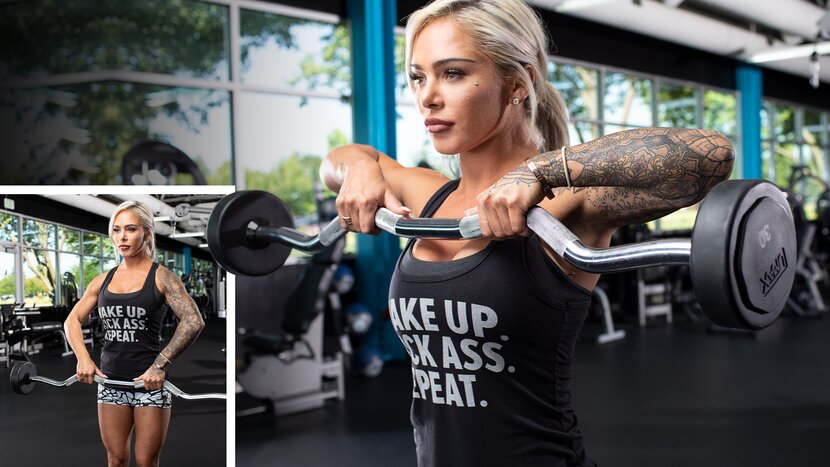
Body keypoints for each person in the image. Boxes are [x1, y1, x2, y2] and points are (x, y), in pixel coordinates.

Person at [321, 0, 735, 465]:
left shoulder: (566, 205)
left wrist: (540, 171)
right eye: (419, 77)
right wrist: (358, 168)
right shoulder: (429, 197)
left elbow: (708, 155)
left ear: (517, 84)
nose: (427, 97)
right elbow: (341, 160)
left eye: (452, 73)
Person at [64, 201, 205, 467]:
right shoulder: (102, 279)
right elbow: (72, 320)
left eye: (130, 229)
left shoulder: (162, 277)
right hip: (111, 382)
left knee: (145, 461)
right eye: (116, 230)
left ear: (147, 233)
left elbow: (193, 320)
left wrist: (159, 365)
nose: (122, 237)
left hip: (149, 385)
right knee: (116, 459)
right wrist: (83, 357)